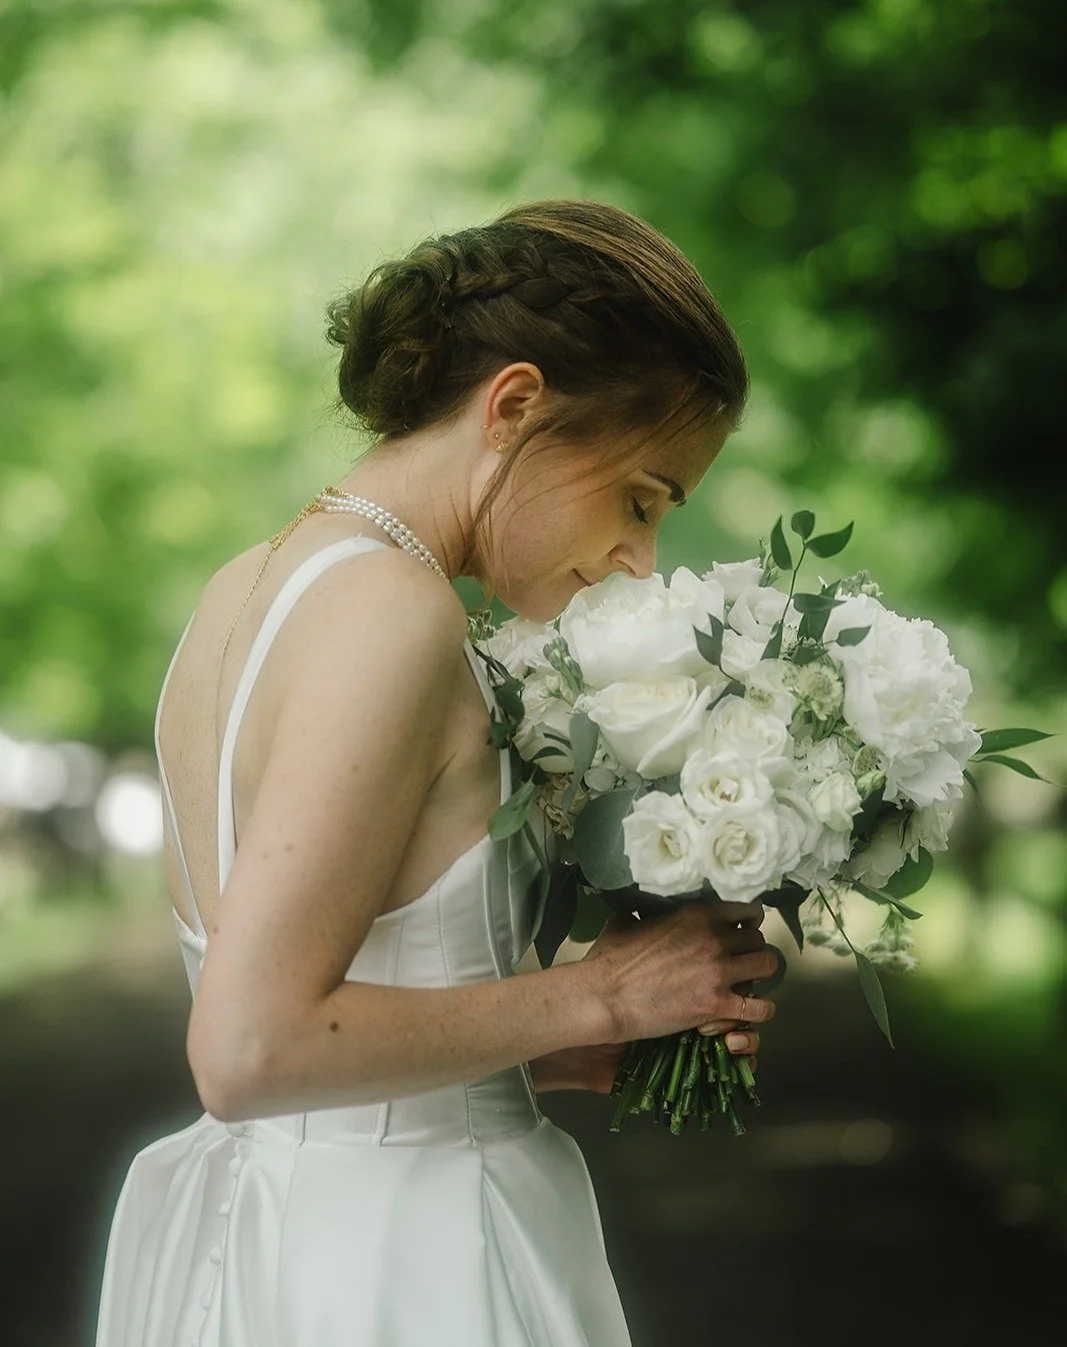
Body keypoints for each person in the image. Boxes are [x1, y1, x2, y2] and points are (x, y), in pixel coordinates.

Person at [93, 197, 779, 1347]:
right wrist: (599, 988)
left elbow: (318, 1003)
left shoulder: (247, 587)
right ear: (513, 406)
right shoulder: (390, 613)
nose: (636, 556)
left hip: (283, 1227)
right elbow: (248, 1046)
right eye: (640, 497)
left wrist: (560, 1044)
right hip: (401, 1260)